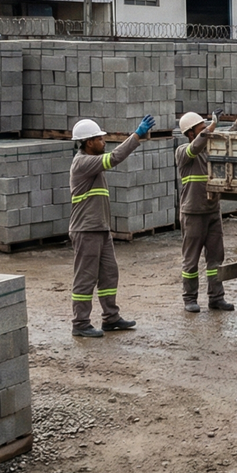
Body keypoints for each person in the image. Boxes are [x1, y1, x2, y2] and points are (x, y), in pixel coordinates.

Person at [68, 114, 155, 338]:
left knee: (109, 273)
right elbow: (115, 157)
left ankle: (111, 317)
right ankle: (80, 323)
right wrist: (136, 136)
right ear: (89, 142)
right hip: (86, 230)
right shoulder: (83, 163)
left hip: (100, 228)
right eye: (99, 138)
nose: (103, 141)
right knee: (85, 277)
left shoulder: (92, 164)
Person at [175, 96, 237, 312]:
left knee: (216, 258)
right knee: (191, 260)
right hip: (193, 213)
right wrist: (211, 127)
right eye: (201, 129)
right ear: (190, 133)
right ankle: (189, 299)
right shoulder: (183, 152)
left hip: (212, 211)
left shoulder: (210, 148)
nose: (207, 132)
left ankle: (216, 298)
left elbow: (230, 135)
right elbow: (195, 147)